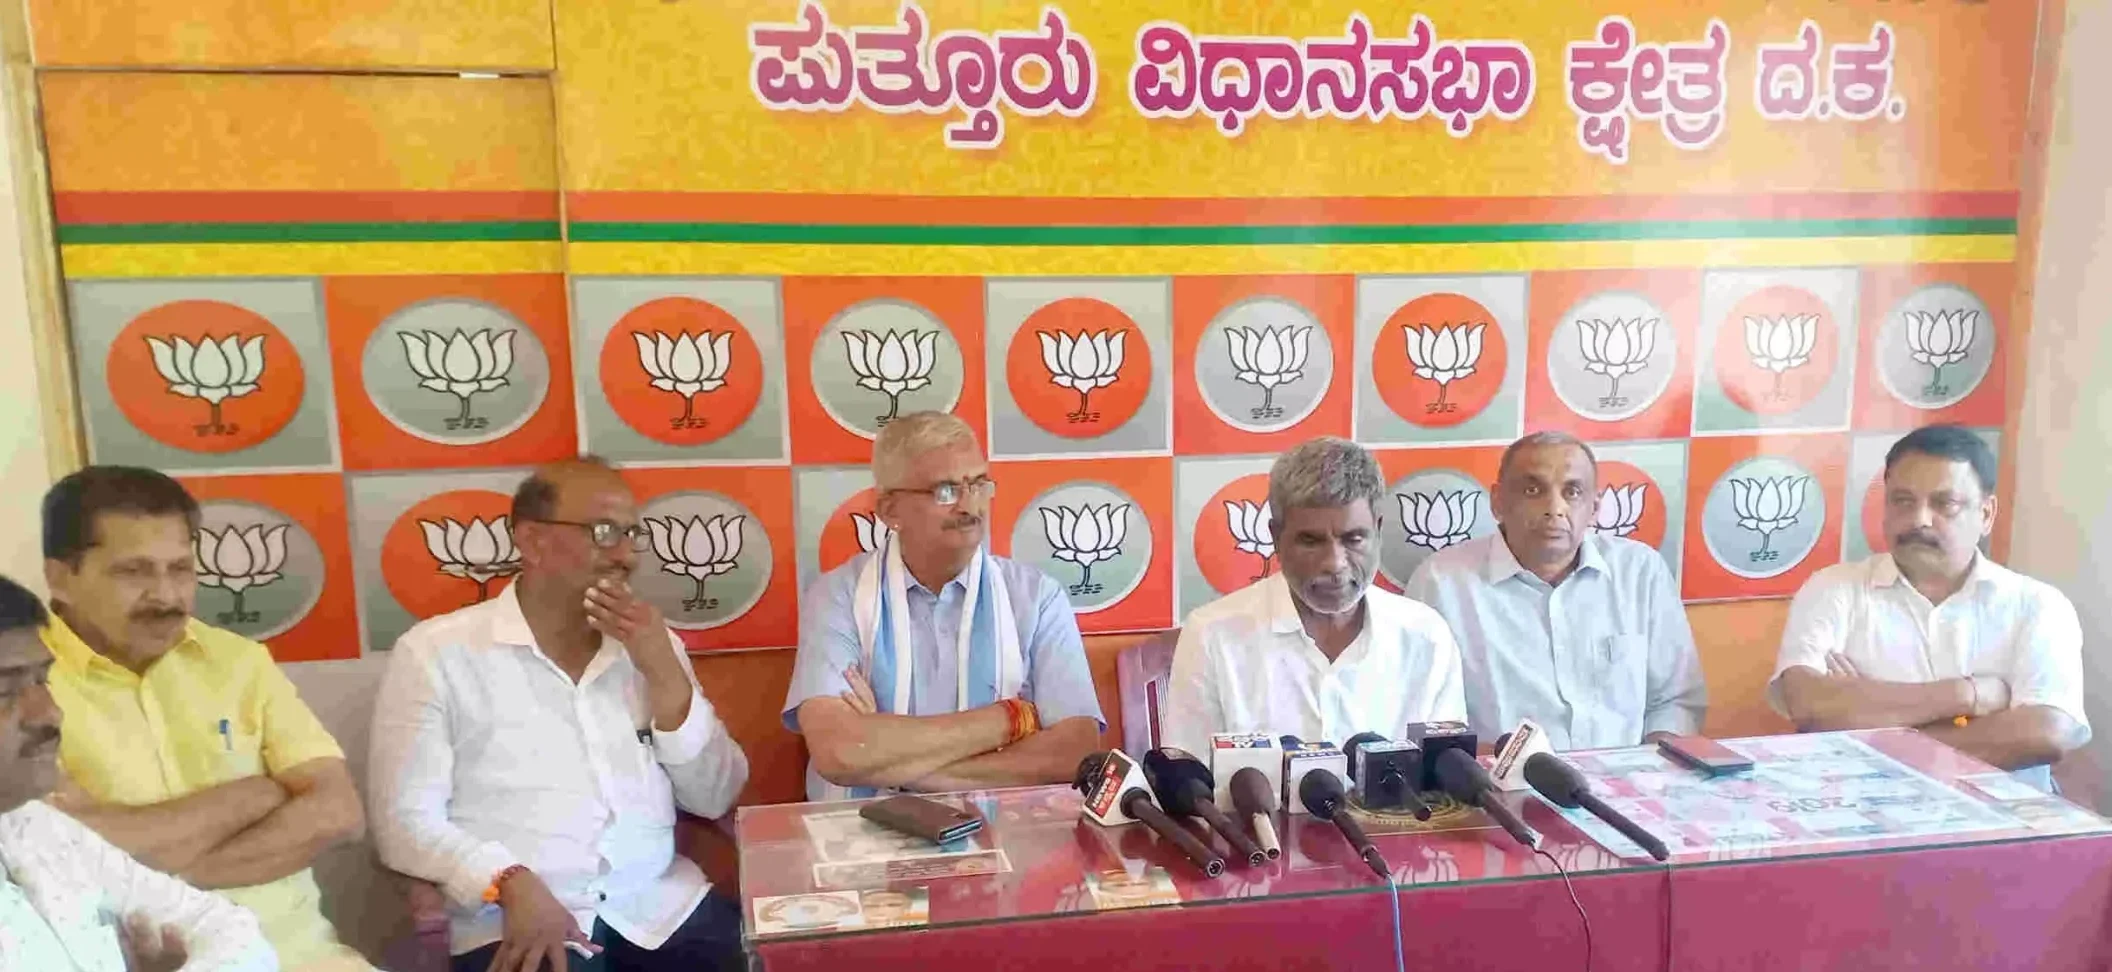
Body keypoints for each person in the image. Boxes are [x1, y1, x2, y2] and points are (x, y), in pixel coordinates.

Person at [370, 458, 750, 972]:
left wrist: (665, 675)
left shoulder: (652, 646)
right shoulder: (437, 653)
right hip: (513, 920)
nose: (625, 555)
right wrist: (507, 880)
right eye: (604, 532)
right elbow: (402, 823)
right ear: (532, 541)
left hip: (658, 908)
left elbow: (716, 796)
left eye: (632, 534)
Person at [39, 467, 371, 971]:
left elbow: (339, 812)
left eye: (180, 569)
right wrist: (255, 796)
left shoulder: (238, 661)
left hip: (300, 956)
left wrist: (167, 880)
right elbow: (62, 855)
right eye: (134, 572)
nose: (166, 596)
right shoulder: (20, 684)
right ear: (61, 578)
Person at [785, 411, 1104, 801]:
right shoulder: (837, 595)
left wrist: (888, 759)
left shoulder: (1037, 597)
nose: (970, 506)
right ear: (890, 510)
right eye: (945, 491)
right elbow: (840, 753)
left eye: (978, 484)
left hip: (1006, 829)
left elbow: (1075, 752)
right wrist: (1008, 719)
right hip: (859, 832)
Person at [1771, 425, 2088, 789]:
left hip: (2001, 813)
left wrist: (1869, 721)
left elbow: (2045, 734)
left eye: (1944, 504)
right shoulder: (1834, 589)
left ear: (1986, 514)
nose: (1919, 519)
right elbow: (1808, 704)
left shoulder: (2037, 606)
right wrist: (1965, 696)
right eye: (1903, 501)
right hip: (1861, 808)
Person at [0, 573, 277, 971]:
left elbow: (230, 929)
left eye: (42, 680)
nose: (50, 713)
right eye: (5, 691)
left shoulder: (34, 827)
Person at [1161, 437, 1466, 757]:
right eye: (1310, 541)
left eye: (1353, 539)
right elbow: (1188, 772)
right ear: (1276, 538)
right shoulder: (1212, 635)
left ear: (1377, 530)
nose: (1334, 563)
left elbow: (1445, 774)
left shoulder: (1426, 636)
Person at [1405, 431, 1705, 750]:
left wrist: (1650, 766)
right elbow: (1422, 718)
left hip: (1628, 776)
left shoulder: (1640, 571)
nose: (1555, 508)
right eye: (1533, 490)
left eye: (1572, 492)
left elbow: (1675, 702)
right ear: (1498, 502)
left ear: (1594, 508)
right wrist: (1496, 765)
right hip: (1493, 778)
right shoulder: (1441, 583)